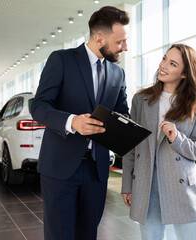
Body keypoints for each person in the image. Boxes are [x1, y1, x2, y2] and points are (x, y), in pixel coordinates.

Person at [31, 6, 130, 240]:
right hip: (60, 168)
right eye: (120, 42)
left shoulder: (118, 74)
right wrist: (72, 121)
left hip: (96, 170)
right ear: (99, 39)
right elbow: (39, 106)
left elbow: (122, 115)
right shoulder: (61, 60)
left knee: (88, 234)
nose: (125, 48)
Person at [121, 44, 196, 240]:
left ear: (185, 74)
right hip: (146, 183)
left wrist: (176, 138)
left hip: (181, 184)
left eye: (172, 63)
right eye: (164, 58)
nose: (163, 65)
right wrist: (127, 184)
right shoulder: (141, 99)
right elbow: (130, 146)